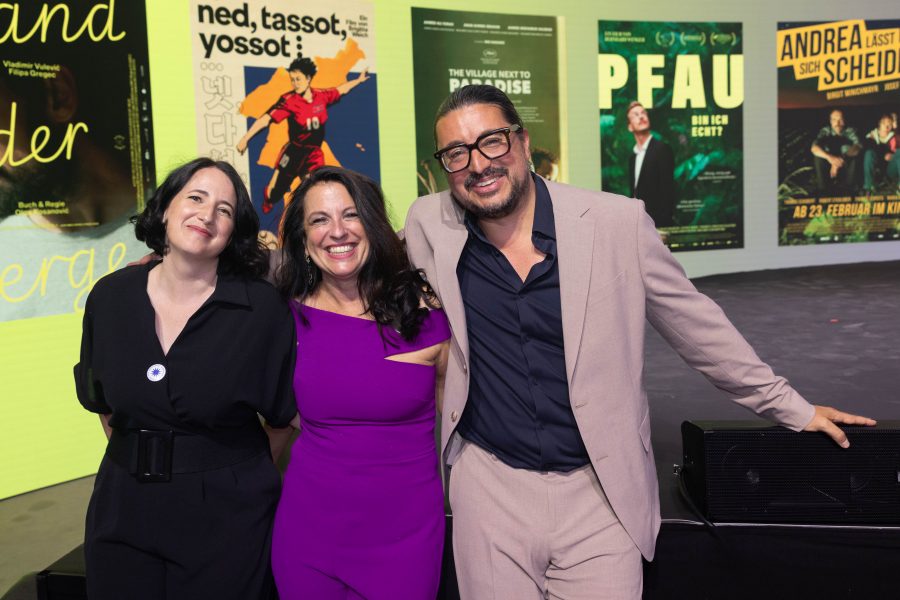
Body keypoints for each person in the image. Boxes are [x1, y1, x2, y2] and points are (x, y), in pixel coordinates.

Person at [403, 84, 875, 599]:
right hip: (489, 493)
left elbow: (699, 327)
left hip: (600, 497)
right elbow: (366, 280)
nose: (478, 163)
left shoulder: (615, 223)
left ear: (521, 139)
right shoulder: (430, 223)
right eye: (456, 153)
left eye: (492, 141)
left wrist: (792, 408)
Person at [74, 158, 298, 600]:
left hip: (227, 515)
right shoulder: (111, 297)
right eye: (195, 197)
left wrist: (215, 471)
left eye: (225, 209)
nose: (207, 214)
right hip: (123, 508)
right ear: (164, 209)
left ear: (233, 231)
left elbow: (279, 421)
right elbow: (104, 405)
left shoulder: (261, 309)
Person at [271, 166, 450, 599]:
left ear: (373, 223)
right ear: (301, 237)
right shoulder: (283, 318)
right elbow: (274, 418)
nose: (337, 232)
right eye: (319, 220)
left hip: (407, 540)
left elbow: (458, 425)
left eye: (351, 215)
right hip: (308, 536)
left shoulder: (428, 315)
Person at [235, 57, 369, 215]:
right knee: (275, 192)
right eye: (292, 80)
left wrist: (358, 80)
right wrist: (245, 138)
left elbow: (341, 90)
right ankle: (269, 200)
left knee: (315, 189)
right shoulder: (289, 100)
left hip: (313, 154)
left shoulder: (321, 96)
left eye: (298, 79)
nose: (294, 83)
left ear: (308, 78)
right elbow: (266, 119)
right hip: (294, 152)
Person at [625, 101, 676, 228]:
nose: (641, 116)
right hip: (639, 225)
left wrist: (663, 227)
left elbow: (668, 192)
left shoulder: (662, 149)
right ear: (630, 127)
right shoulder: (633, 157)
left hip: (657, 226)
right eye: (636, 115)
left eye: (643, 113)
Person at [811, 108, 861, 195]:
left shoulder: (850, 130)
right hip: (828, 168)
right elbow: (814, 148)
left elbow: (858, 146)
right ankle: (823, 190)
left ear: (844, 120)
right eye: (834, 120)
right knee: (818, 157)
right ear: (830, 121)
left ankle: (849, 189)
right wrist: (830, 158)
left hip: (845, 165)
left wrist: (840, 159)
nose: (837, 123)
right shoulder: (826, 131)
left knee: (854, 157)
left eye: (840, 119)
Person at [862, 113, 900, 195]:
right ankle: (868, 188)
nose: (886, 127)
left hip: (890, 170)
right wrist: (884, 154)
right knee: (869, 153)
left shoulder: (894, 136)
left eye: (889, 124)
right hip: (877, 170)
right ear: (879, 124)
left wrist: (896, 127)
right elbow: (869, 147)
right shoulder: (872, 135)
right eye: (884, 124)